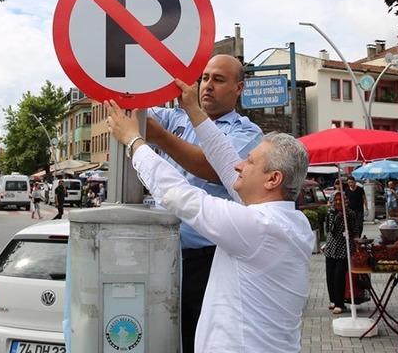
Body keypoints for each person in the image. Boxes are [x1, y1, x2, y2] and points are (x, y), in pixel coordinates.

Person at [105, 78, 311, 353]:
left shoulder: (259, 227)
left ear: (273, 179)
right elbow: (225, 160)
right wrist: (193, 108)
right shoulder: (289, 221)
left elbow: (180, 196)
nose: (240, 166)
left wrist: (133, 141)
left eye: (250, 162)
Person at [145, 54, 263, 353]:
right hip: (159, 254)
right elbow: (135, 113)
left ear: (239, 88)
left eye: (219, 80)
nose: (208, 85)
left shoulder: (247, 133)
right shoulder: (177, 118)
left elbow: (215, 167)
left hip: (207, 259)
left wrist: (159, 137)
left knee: (198, 338)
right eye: (205, 78)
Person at [323, 191, 361, 315]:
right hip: (331, 247)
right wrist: (336, 217)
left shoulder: (350, 213)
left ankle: (340, 304)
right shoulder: (330, 212)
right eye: (336, 200)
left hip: (344, 247)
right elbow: (329, 230)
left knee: (339, 275)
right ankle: (333, 300)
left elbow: (355, 229)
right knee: (330, 275)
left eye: (341, 199)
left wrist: (356, 244)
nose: (339, 202)